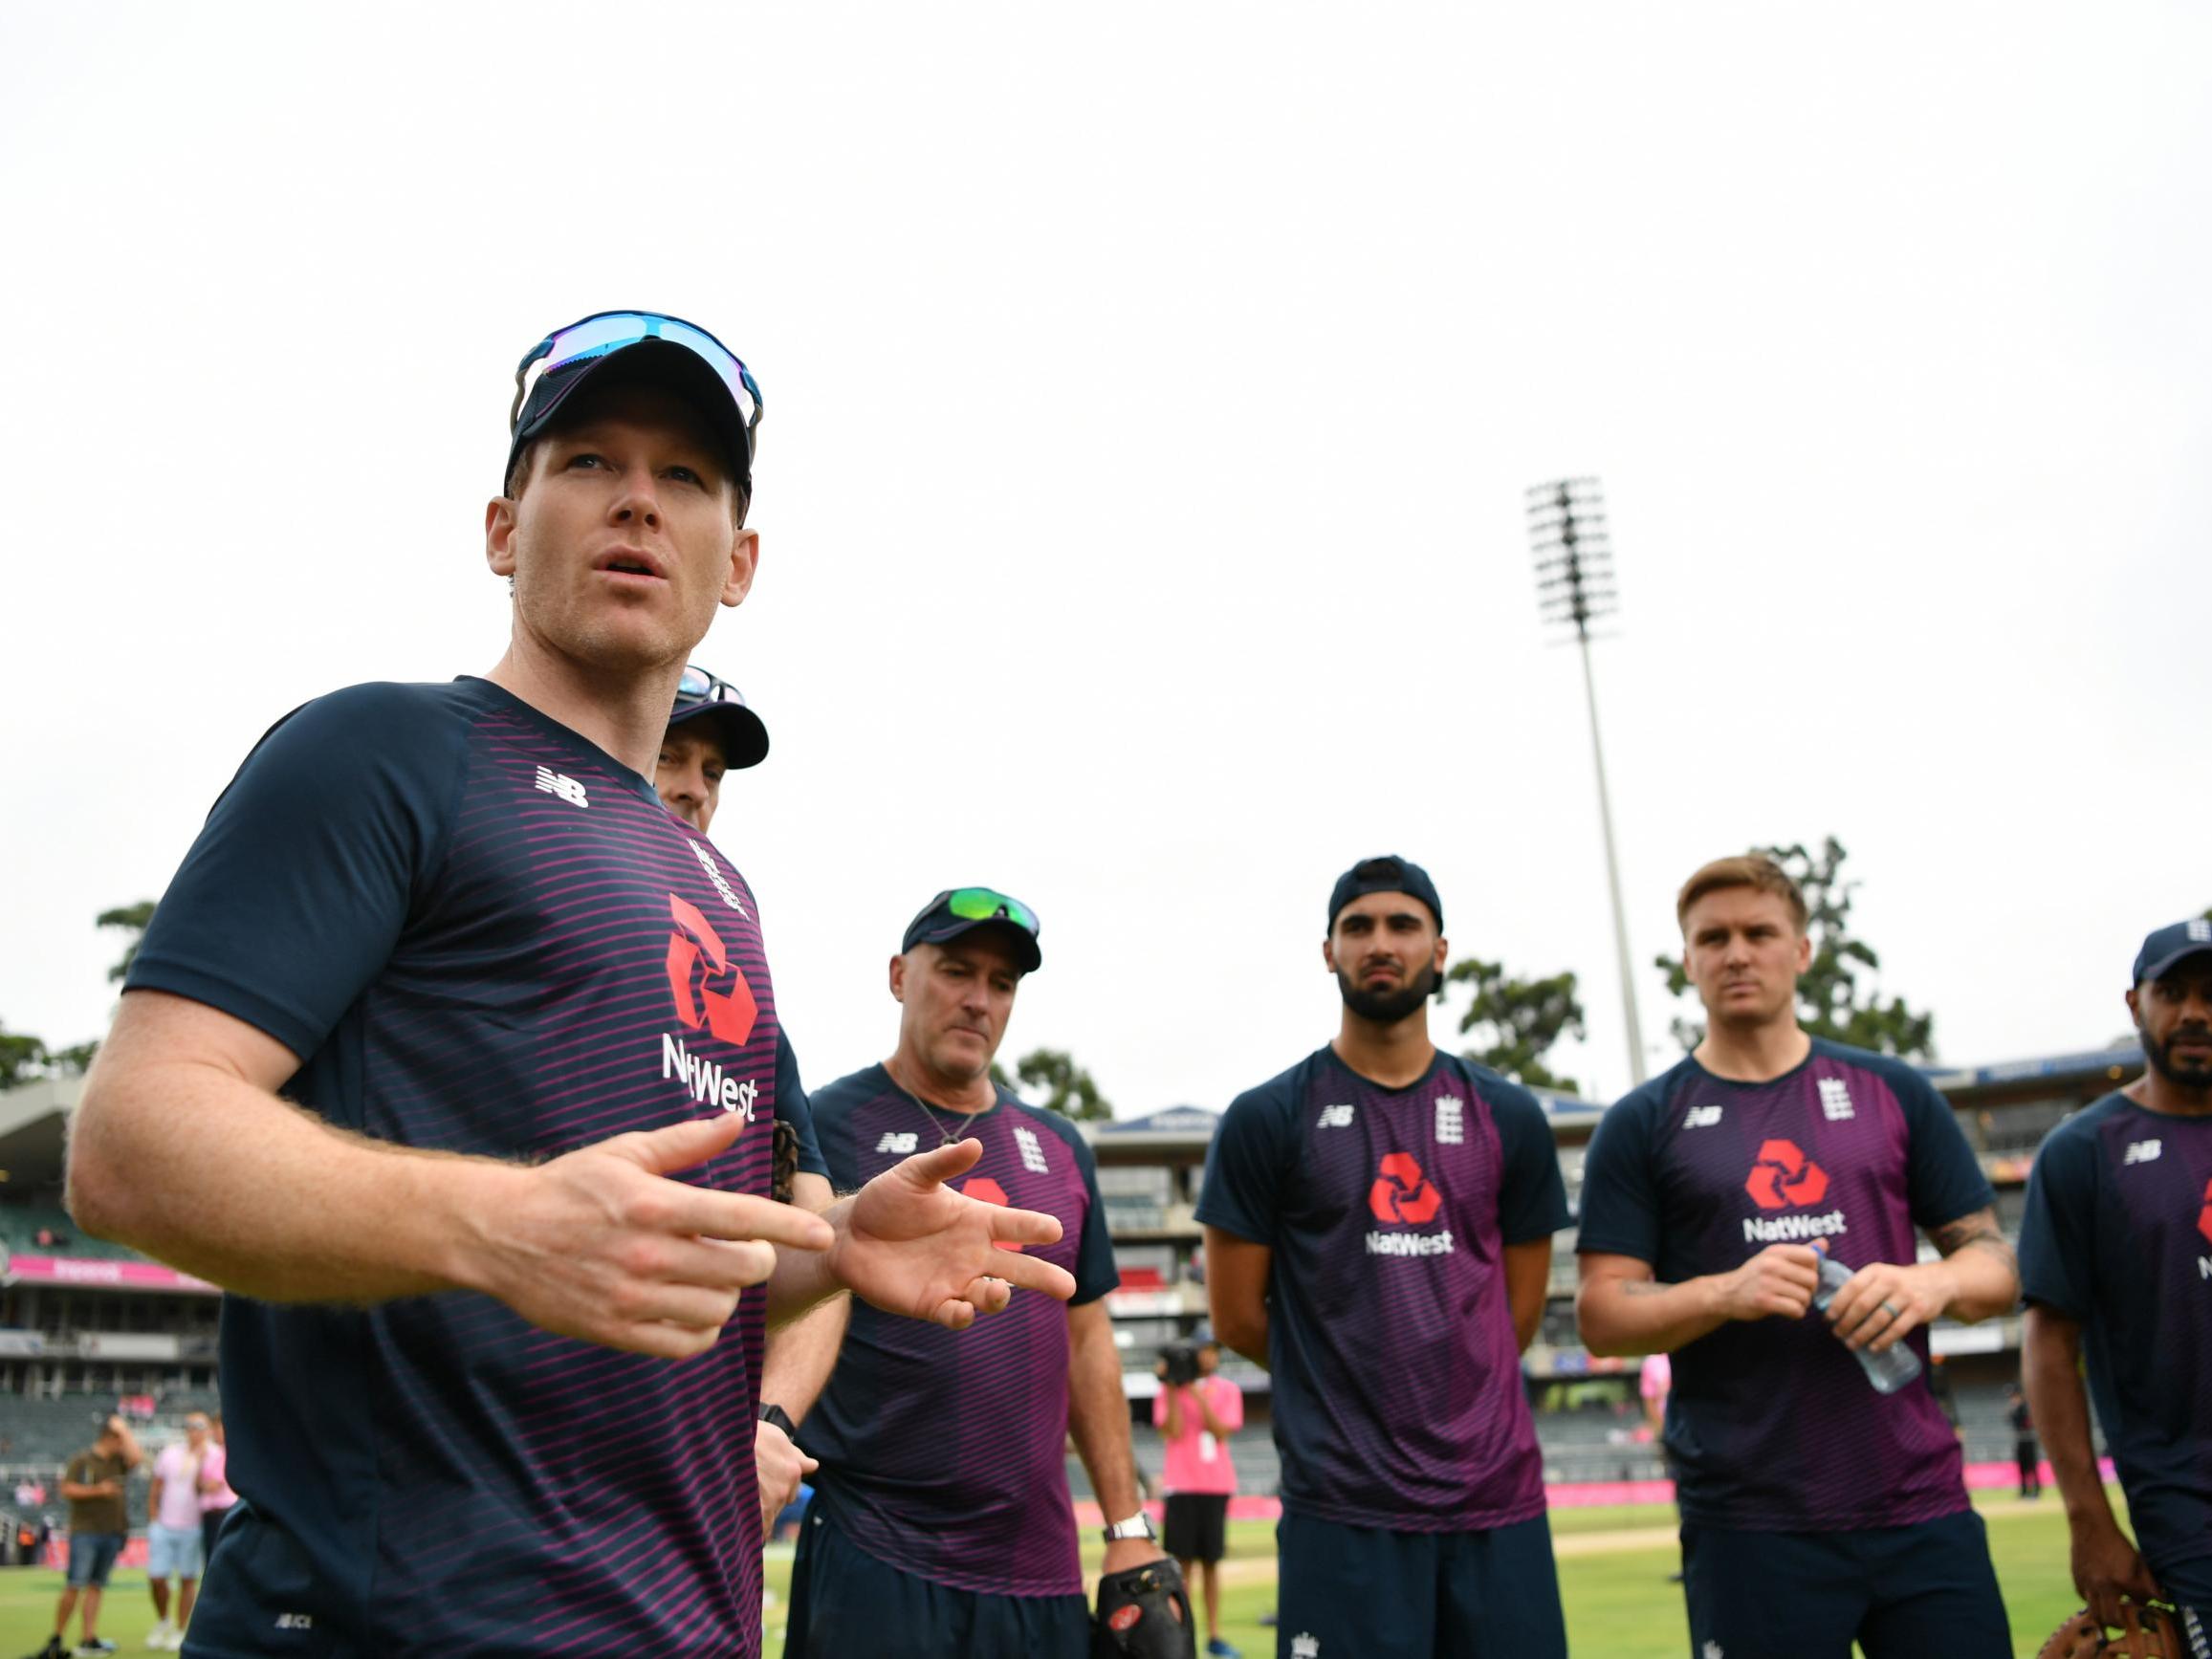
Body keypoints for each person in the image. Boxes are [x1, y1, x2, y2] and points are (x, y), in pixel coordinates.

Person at [64, 310, 1078, 1657]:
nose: (639, 502)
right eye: (590, 460)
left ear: (742, 560)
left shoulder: (723, 892)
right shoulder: (382, 750)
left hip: (681, 1619)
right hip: (391, 1621)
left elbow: (659, 1267)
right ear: (503, 525)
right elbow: (129, 1141)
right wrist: (498, 1222)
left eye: (688, 479)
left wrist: (833, 1254)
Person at [1576, 853, 2020, 1658]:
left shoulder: (1892, 1090)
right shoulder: (1643, 1121)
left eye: (1759, 931)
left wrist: (1932, 1281)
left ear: (1802, 949)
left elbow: (1994, 1265)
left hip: (1918, 1505)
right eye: (1712, 937)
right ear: (1687, 960)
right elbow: (1601, 1314)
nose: (1736, 952)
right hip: (1749, 1520)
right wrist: (1722, 1291)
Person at [1199, 855, 1572, 1659]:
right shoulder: (1267, 1117)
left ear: (1439, 950)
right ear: (1326, 950)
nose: (1380, 941)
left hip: (1495, 1502)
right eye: (1357, 925)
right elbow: (1233, 1316)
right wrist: (1347, 1366)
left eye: (1403, 924)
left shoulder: (1508, 1115)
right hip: (1340, 1507)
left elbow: (1518, 1316)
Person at [783, 888, 1153, 1659]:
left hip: (1039, 1572)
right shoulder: (821, 1122)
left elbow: (1087, 1344)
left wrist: (1127, 1528)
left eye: (1002, 983)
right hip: (876, 1556)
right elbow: (771, 1296)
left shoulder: (1057, 1145)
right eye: (955, 970)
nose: (978, 1000)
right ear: (897, 975)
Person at [649, 668, 844, 1542]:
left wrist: (769, 1422)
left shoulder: (746, 1002)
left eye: (713, 770)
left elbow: (819, 1245)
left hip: (690, 1483)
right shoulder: (506, 897)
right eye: (669, 754)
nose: (694, 787)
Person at [2020, 920, 2212, 1649]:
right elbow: (2046, 1344)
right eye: (2172, 991)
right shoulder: (2082, 1152)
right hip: (2189, 1511)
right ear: (2135, 1004)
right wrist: (2088, 1520)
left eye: (2210, 993)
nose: (2193, 1010)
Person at [1154, 1334, 1243, 1659]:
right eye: (1203, 1352)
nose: (1208, 1358)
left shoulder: (1228, 1390)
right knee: (1181, 1567)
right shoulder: (1167, 1391)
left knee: (1211, 1564)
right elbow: (1172, 1430)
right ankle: (1182, 1635)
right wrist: (1176, 1388)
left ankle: (1215, 1635)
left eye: (1212, 1353)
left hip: (1215, 1485)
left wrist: (1195, 1390)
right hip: (1181, 1484)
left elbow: (1220, 1430)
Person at [32, 1413, 141, 1659]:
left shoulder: (117, 1462)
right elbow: (67, 1489)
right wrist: (97, 1490)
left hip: (112, 1531)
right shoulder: (82, 1460)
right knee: (75, 1584)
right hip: (86, 1531)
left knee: (96, 1586)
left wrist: (124, 1430)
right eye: (118, 1439)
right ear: (108, 1438)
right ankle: (56, 1638)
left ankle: (88, 1638)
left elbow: (137, 1457)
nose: (122, 1444)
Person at [143, 1414, 212, 1649]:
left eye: (200, 1427)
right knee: (156, 1577)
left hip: (193, 1526)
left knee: (187, 1580)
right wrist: (153, 1518)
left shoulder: (213, 1454)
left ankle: (181, 1629)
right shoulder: (171, 1453)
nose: (195, 1431)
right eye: (191, 1426)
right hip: (164, 1524)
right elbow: (156, 1487)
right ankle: (164, 1620)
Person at [191, 1413, 234, 1573]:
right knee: (211, 1558)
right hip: (210, 1514)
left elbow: (213, 1486)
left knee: (218, 1558)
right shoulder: (211, 1453)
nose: (215, 1432)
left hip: (222, 1512)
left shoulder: (225, 1453)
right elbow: (198, 1484)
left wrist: (203, 1485)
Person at [2004, 1385, 2041, 1500]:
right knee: (2022, 1466)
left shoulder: (2026, 1407)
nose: (2012, 1399)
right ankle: (2024, 1491)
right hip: (2019, 1439)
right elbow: (2009, 1420)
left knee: (2032, 1465)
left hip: (2029, 1438)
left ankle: (2036, 1490)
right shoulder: (2013, 1408)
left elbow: (2027, 1422)